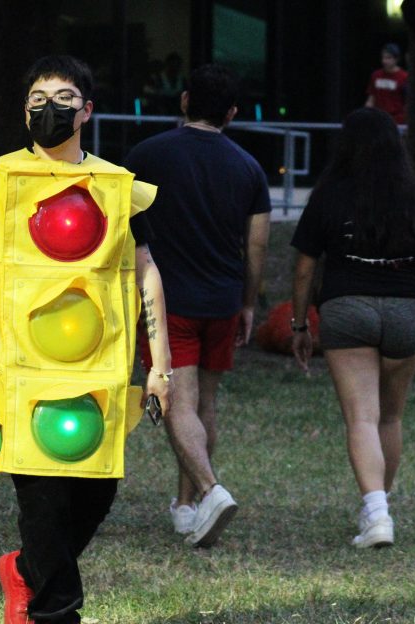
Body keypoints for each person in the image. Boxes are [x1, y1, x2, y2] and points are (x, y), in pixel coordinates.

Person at [0, 55, 172, 624]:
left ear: (88, 111)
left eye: (62, 98)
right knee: (44, 499)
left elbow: (147, 271)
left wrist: (160, 365)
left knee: (96, 494)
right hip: (17, 367)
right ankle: (57, 614)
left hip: (95, 367)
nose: (48, 108)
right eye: (37, 99)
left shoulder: (114, 188)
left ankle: (26, 570)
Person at [290, 107, 415, 549]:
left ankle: (376, 512)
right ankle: (379, 508)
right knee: (391, 416)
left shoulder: (329, 194)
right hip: (407, 312)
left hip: (347, 308)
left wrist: (300, 322)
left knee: (362, 417)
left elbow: (305, 266)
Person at [124, 64, 270, 547]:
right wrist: (248, 303)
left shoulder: (147, 155)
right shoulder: (249, 168)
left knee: (175, 403)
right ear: (231, 112)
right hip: (223, 300)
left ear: (185, 101)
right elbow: (257, 248)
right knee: (205, 403)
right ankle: (185, 509)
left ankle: (209, 491)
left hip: (169, 300)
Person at [365, 43, 408, 125]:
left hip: (397, 121)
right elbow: (371, 99)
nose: (384, 61)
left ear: (396, 59)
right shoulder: (376, 75)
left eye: (388, 58)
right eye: (383, 58)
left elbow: (408, 102)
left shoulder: (404, 77)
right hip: (378, 120)